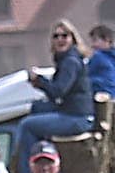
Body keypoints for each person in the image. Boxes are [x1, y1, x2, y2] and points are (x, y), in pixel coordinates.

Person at [15, 20, 94, 156]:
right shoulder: (65, 60)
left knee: (26, 125)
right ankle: (43, 153)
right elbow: (57, 94)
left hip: (77, 118)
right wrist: (40, 84)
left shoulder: (70, 62)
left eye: (65, 36)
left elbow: (59, 91)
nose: (60, 39)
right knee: (37, 107)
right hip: (71, 113)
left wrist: (39, 80)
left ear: (72, 39)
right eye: (56, 36)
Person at [85, 25, 115, 100]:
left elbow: (85, 75)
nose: (93, 45)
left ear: (107, 40)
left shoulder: (98, 56)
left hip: (99, 96)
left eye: (95, 40)